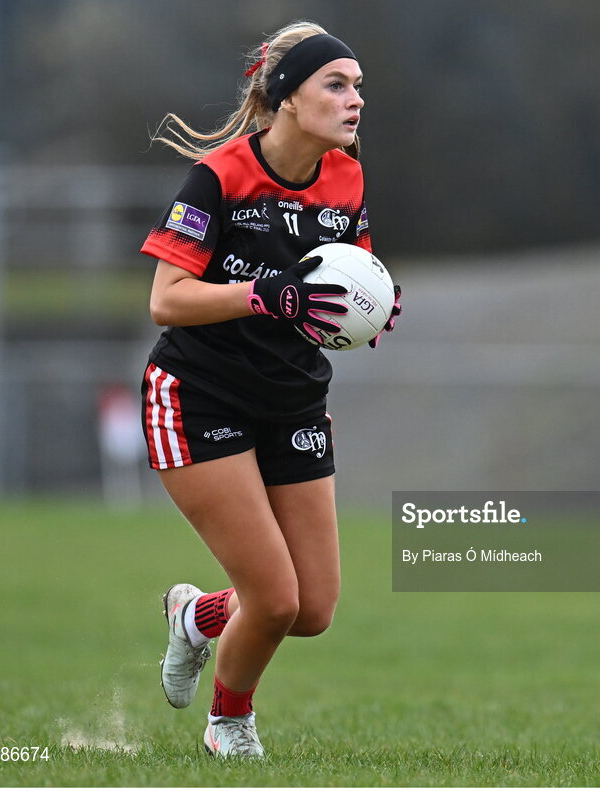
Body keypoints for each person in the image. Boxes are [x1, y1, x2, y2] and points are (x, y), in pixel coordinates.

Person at [139, 20, 400, 758]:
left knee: (311, 607)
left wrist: (370, 310)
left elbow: (351, 274)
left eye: (358, 88)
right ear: (287, 98)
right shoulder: (220, 177)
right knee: (276, 598)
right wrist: (261, 294)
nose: (355, 101)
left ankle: (195, 616)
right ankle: (230, 723)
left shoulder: (346, 176)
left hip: (291, 398)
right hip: (197, 396)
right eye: (337, 85)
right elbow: (167, 298)